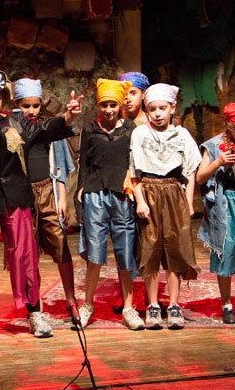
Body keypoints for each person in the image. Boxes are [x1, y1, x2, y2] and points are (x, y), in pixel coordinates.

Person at [0, 67, 82, 342]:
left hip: (16, 198)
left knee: (24, 255)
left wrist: (68, 117)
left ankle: (34, 312)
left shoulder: (15, 123)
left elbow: (44, 130)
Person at [130, 83, 202, 330]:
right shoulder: (140, 134)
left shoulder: (182, 135)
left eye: (162, 108)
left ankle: (173, 305)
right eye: (152, 109)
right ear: (147, 111)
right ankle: (152, 305)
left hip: (173, 191)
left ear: (172, 108)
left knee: (175, 248)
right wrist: (140, 200)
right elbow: (134, 173)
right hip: (149, 190)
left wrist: (188, 201)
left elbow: (190, 171)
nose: (158, 113)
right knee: (150, 249)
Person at [76, 79, 143, 330]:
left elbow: (135, 162)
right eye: (104, 105)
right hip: (95, 193)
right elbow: (83, 163)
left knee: (125, 251)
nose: (108, 110)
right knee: (94, 252)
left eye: (113, 105)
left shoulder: (130, 129)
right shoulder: (90, 128)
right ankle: (88, 305)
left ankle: (128, 307)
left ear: (120, 105)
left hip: (122, 194)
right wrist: (80, 193)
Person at [12, 78, 76, 337]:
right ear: (16, 104)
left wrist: (61, 197)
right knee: (28, 253)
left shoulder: (48, 128)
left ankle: (71, 299)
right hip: (23, 195)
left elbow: (59, 165)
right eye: (25, 105)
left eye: (35, 105)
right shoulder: (11, 128)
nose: (31, 110)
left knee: (60, 245)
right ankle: (34, 308)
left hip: (47, 191)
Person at [196, 102, 235, 324]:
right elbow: (200, 177)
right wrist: (219, 161)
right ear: (228, 124)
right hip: (225, 204)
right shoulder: (213, 145)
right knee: (226, 250)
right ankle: (226, 304)